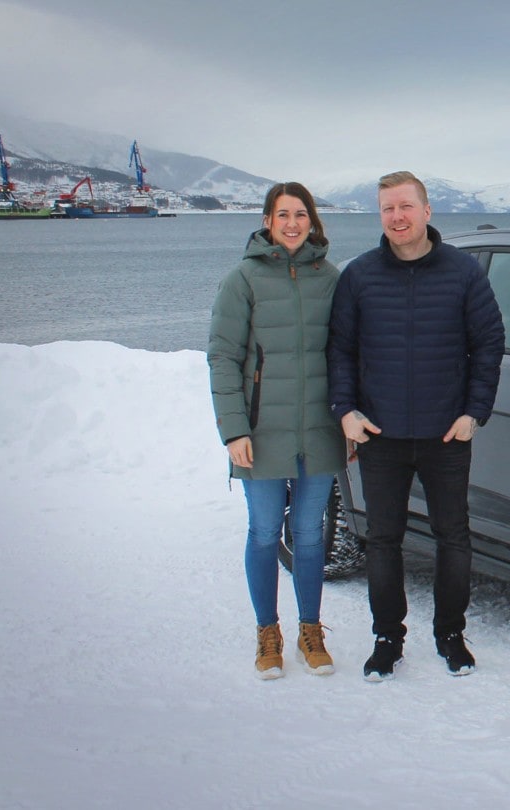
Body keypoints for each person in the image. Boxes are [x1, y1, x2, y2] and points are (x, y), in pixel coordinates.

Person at [328, 171, 505, 681]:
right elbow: (340, 348)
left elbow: (488, 344)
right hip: (379, 435)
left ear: (427, 211)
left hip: (445, 434)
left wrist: (475, 413)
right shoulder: (359, 276)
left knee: (453, 538)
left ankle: (450, 634)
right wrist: (346, 411)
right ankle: (388, 639)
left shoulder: (463, 273)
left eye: (406, 206)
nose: (397, 217)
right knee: (383, 540)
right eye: (387, 208)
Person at [209, 182, 344, 679]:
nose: (292, 223)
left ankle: (311, 631)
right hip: (260, 433)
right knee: (265, 532)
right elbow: (223, 357)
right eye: (283, 214)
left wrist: (347, 420)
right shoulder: (242, 279)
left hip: (319, 430)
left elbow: (346, 357)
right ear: (268, 220)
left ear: (312, 221)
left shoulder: (330, 278)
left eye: (301, 214)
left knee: (309, 535)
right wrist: (233, 431)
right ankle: (268, 632)